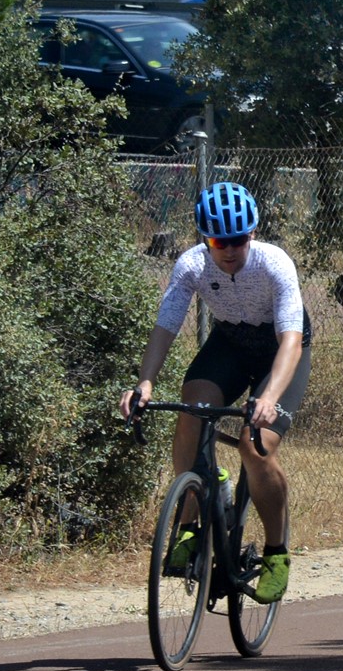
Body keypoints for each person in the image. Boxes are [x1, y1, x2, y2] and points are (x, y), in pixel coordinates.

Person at [119, 181, 310, 602]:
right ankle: (190, 524)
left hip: (279, 351)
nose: (229, 250)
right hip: (230, 344)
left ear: (253, 233)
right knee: (192, 412)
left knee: (255, 446)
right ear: (204, 239)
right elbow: (166, 325)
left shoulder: (274, 263)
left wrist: (269, 398)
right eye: (218, 242)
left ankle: (276, 553)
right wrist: (145, 381)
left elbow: (292, 341)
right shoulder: (191, 265)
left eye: (238, 239)